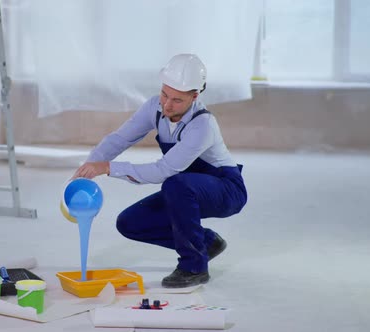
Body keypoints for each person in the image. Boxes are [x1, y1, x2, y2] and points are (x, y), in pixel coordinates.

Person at [72, 54, 248, 288]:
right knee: (130, 222)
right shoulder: (154, 107)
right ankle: (207, 243)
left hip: (225, 189)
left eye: (176, 100)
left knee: (175, 184)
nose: (166, 105)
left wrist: (108, 168)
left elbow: (163, 170)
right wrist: (88, 168)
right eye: (165, 94)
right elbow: (119, 138)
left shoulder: (202, 125)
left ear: (194, 96)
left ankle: (194, 266)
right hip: (186, 187)